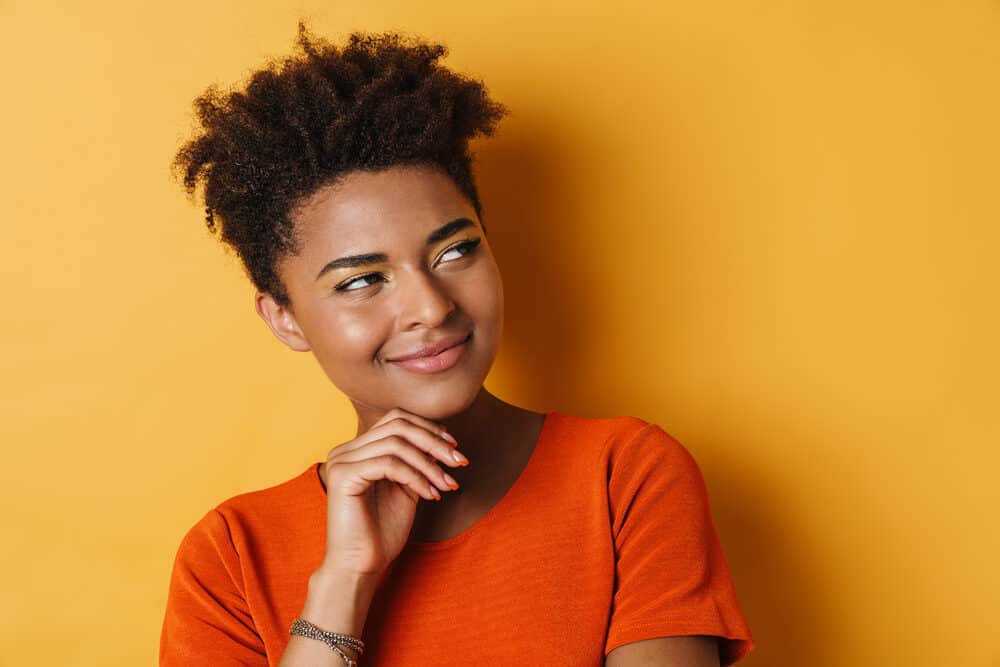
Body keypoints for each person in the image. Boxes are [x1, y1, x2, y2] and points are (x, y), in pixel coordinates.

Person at [160, 22, 754, 667]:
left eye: (455, 251)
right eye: (363, 280)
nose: (431, 306)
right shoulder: (230, 555)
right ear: (286, 320)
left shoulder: (624, 476)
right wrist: (344, 583)